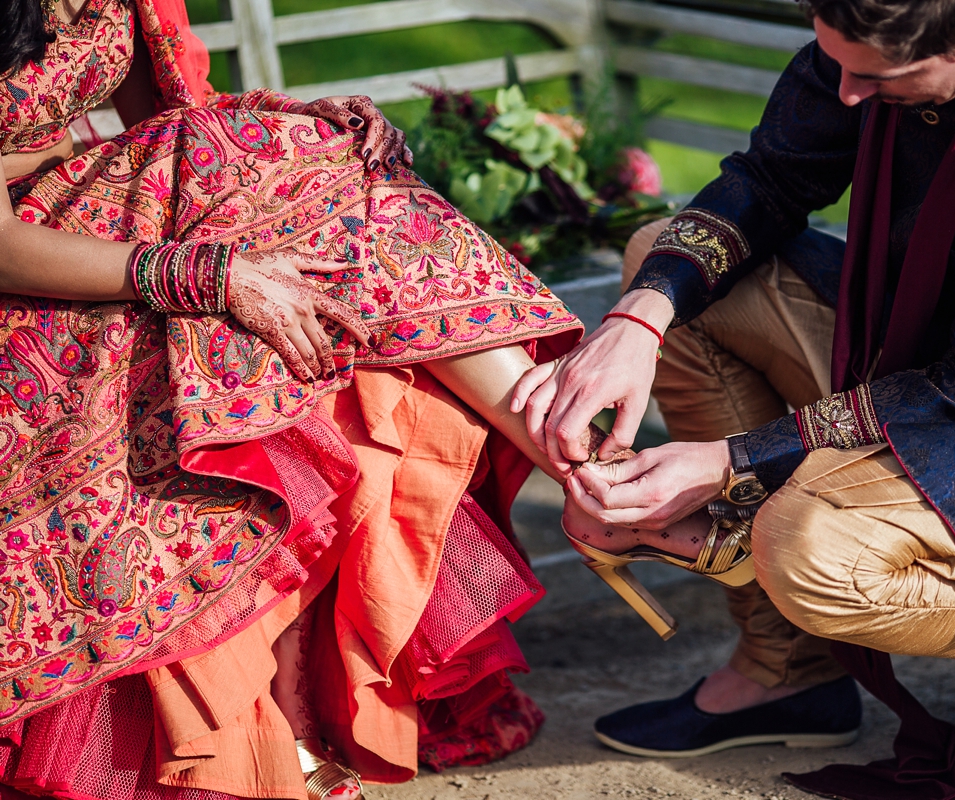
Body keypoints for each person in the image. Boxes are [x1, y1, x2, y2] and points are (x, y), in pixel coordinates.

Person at [512, 0, 955, 796]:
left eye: (875, 78)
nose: (841, 95)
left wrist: (727, 471)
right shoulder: (889, 38)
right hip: (930, 343)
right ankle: (789, 670)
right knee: (664, 265)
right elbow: (770, 178)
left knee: (807, 551)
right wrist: (638, 315)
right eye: (832, 60)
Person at [0, 0, 595, 798]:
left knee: (304, 242)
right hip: (27, 263)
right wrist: (197, 273)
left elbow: (170, 129)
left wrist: (290, 121)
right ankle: (599, 471)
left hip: (99, 221)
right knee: (279, 254)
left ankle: (293, 717)